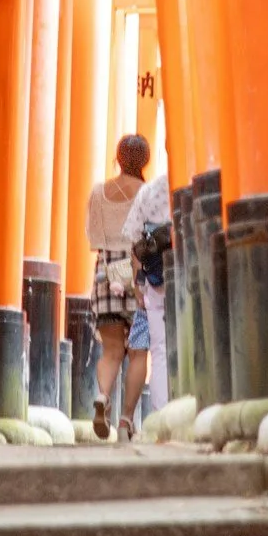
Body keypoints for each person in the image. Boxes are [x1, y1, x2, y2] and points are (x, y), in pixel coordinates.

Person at [86, 133, 149, 440]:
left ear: (118, 158)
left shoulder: (99, 192)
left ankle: (102, 397)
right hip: (137, 273)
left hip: (106, 272)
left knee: (111, 350)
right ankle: (125, 421)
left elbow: (93, 235)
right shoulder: (146, 192)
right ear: (145, 161)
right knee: (138, 352)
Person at [123, 166, 173, 416]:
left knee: (160, 349)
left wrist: (136, 284)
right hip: (193, 267)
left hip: (157, 277)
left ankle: (162, 413)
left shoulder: (150, 191)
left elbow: (134, 239)